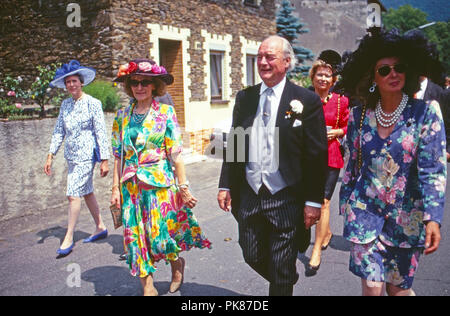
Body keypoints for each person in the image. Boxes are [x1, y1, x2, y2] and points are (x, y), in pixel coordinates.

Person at [338, 29, 447, 296]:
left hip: (407, 218)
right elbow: (352, 165)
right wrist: (347, 204)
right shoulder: (358, 116)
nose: (393, 74)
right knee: (372, 287)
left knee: (397, 290)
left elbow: (433, 170)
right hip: (364, 214)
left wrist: (433, 218)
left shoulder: (425, 113)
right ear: (373, 78)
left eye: (398, 68)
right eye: (384, 70)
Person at [217, 35, 328, 296]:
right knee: (251, 254)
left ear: (287, 62)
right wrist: (225, 184)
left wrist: (314, 201)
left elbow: (316, 154)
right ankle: (285, 276)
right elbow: (235, 142)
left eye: (270, 57)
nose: (263, 62)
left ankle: (282, 279)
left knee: (280, 268)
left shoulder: (306, 101)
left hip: (285, 194)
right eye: (260, 57)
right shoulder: (246, 98)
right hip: (250, 193)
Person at [110, 58, 211, 296]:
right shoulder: (122, 115)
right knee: (135, 238)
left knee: (160, 237)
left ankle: (177, 264)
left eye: (145, 82)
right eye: (134, 82)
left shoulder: (165, 113)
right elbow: (117, 155)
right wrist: (114, 188)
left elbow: (175, 154)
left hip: (159, 186)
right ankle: (148, 287)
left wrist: (183, 187)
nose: (139, 87)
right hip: (131, 187)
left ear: (155, 85)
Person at [44, 60, 110, 256]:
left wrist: (105, 159)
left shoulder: (93, 103)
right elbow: (58, 131)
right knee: (87, 192)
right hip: (71, 157)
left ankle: (69, 236)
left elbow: (100, 132)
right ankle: (100, 226)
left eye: (74, 81)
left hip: (86, 156)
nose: (71, 85)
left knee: (73, 194)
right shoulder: (65, 105)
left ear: (81, 82)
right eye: (68, 82)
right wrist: (50, 155)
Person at [308, 59, 349, 273]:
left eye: (327, 75)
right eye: (319, 74)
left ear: (333, 80)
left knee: (323, 202)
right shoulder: (303, 100)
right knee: (307, 199)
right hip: (307, 157)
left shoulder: (341, 101)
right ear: (313, 77)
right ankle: (327, 231)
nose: (323, 78)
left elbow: (347, 125)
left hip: (332, 156)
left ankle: (316, 251)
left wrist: (338, 132)